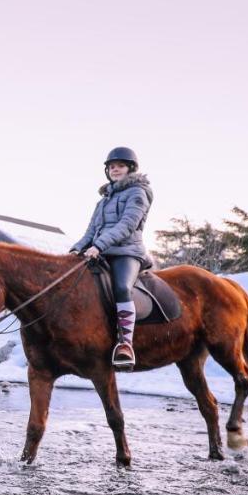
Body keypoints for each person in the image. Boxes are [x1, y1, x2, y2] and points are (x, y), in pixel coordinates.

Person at [70, 147, 153, 369]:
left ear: (130, 169)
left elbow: (127, 226)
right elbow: (90, 231)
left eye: (120, 166)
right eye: (112, 166)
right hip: (100, 251)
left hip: (127, 252)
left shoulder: (138, 193)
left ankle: (125, 344)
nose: (115, 169)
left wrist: (98, 245)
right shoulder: (104, 200)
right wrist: (76, 249)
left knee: (121, 288)